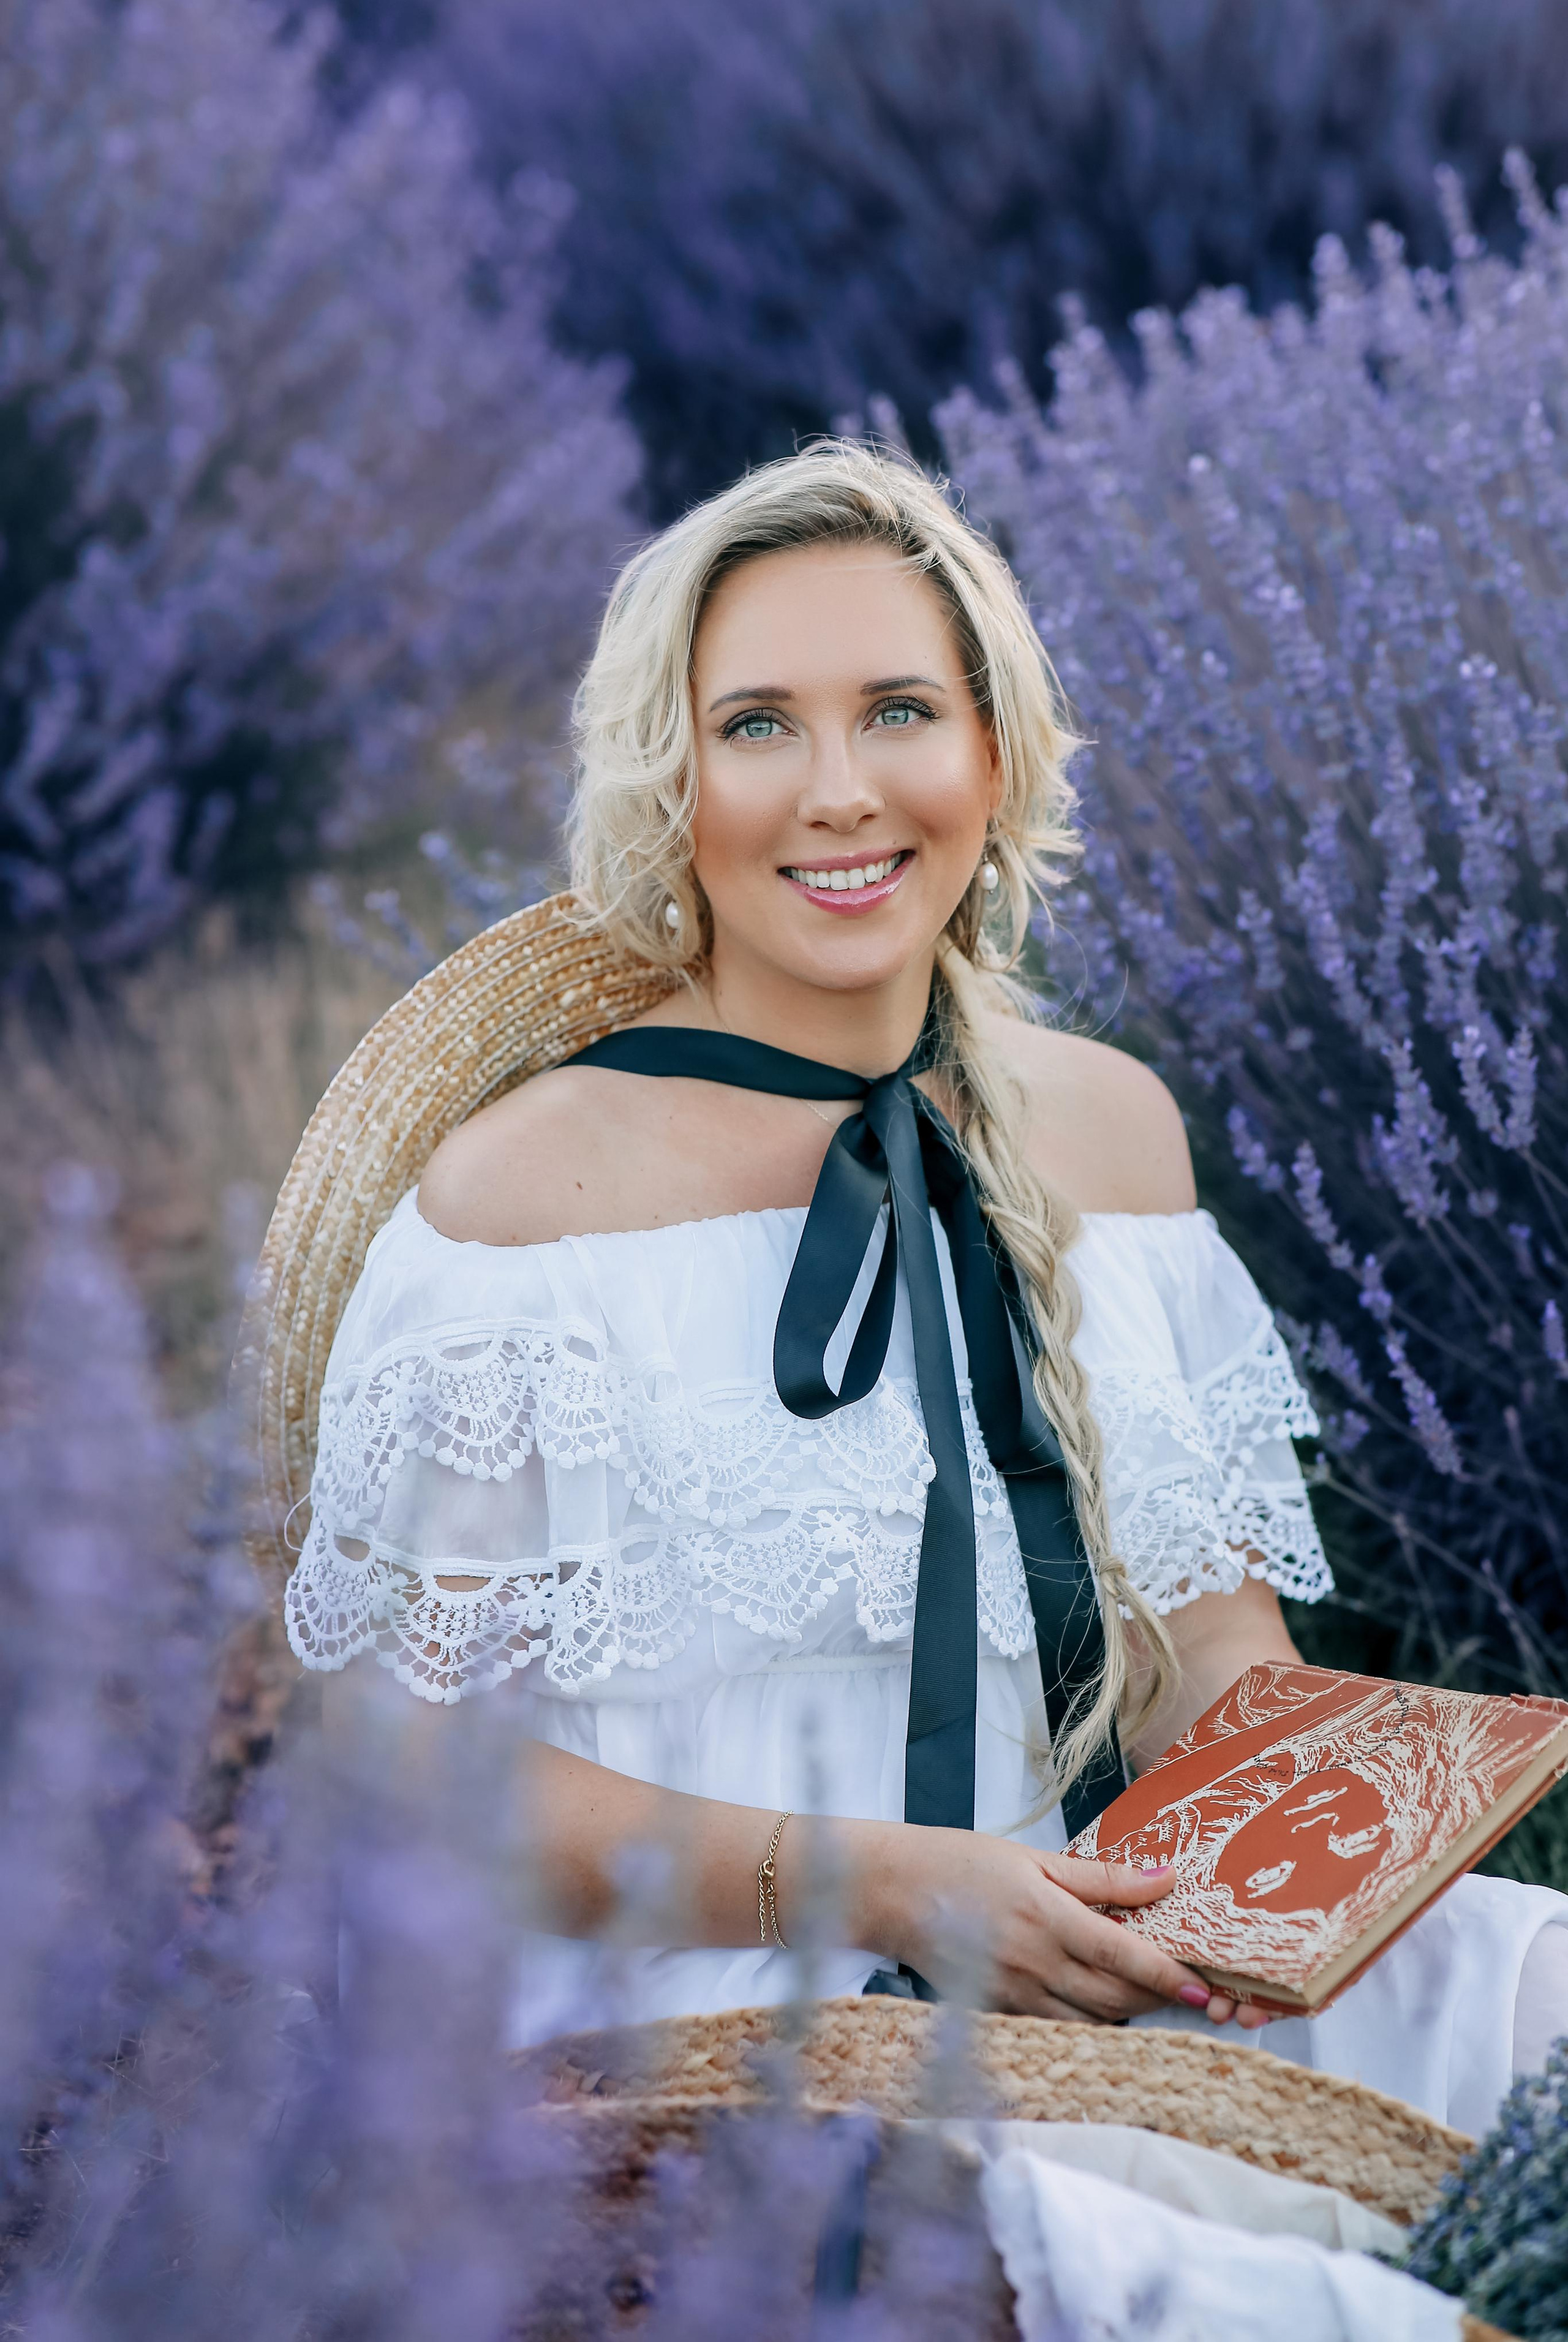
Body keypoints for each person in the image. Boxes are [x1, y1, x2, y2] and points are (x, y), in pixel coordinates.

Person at [298, 441, 1566, 2137]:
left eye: (898, 708)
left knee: (1535, 1988)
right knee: (1187, 2270)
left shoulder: (1112, 1135)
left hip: (1076, 1957)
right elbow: (426, 1781)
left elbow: (1211, 1660)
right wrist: (882, 1890)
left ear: (993, 749)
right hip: (696, 2024)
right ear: (671, 780)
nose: (839, 790)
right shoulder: (526, 1194)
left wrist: (1366, 1812)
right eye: (758, 724)